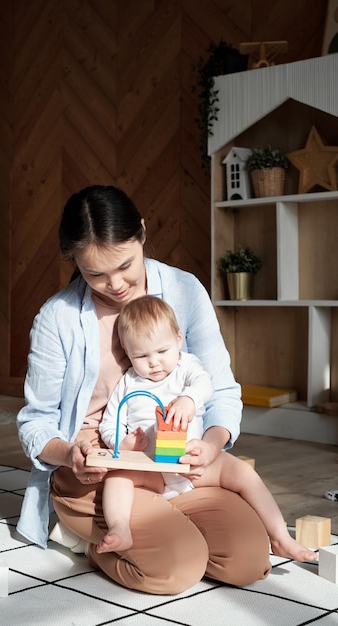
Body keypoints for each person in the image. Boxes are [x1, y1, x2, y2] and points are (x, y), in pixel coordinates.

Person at [16, 184, 273, 595]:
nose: (114, 284)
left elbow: (221, 388)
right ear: (75, 262)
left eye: (125, 265)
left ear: (141, 233)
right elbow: (36, 423)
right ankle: (98, 543)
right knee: (176, 567)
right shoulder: (58, 317)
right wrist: (70, 454)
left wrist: (211, 444)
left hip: (173, 456)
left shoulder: (184, 290)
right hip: (101, 464)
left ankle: (168, 518)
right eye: (94, 273)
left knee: (247, 561)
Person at [97, 296, 317, 563]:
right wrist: (124, 443)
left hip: (192, 464)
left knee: (244, 472)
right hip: (151, 467)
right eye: (142, 355)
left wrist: (189, 399)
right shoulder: (128, 383)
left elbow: (205, 384)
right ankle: (120, 528)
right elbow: (109, 424)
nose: (154, 363)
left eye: (162, 351)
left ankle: (280, 536)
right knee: (117, 477)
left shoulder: (187, 367)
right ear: (126, 350)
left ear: (178, 340)